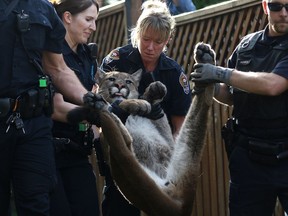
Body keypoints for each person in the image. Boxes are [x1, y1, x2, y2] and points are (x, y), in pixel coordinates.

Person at [191, 0, 288, 215]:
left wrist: (219, 73)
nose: (283, 13)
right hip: (248, 159)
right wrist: (210, 85)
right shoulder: (247, 46)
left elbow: (273, 85)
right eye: (276, 7)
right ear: (265, 7)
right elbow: (232, 95)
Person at [0, 0, 95, 215]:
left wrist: (87, 98)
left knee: (38, 205)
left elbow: (57, 68)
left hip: (32, 125)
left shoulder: (44, 9)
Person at [100, 0, 192, 215]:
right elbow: (101, 102)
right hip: (120, 154)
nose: (151, 47)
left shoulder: (173, 73)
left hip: (157, 160)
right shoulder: (118, 60)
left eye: (158, 42)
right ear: (137, 33)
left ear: (168, 40)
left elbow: (180, 129)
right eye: (146, 39)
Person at [49, 0, 100, 216]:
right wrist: (95, 115)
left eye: (95, 21)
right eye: (88, 20)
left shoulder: (88, 55)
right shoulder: (49, 52)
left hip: (79, 151)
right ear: (68, 17)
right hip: (51, 153)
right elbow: (56, 107)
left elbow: (94, 93)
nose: (93, 27)